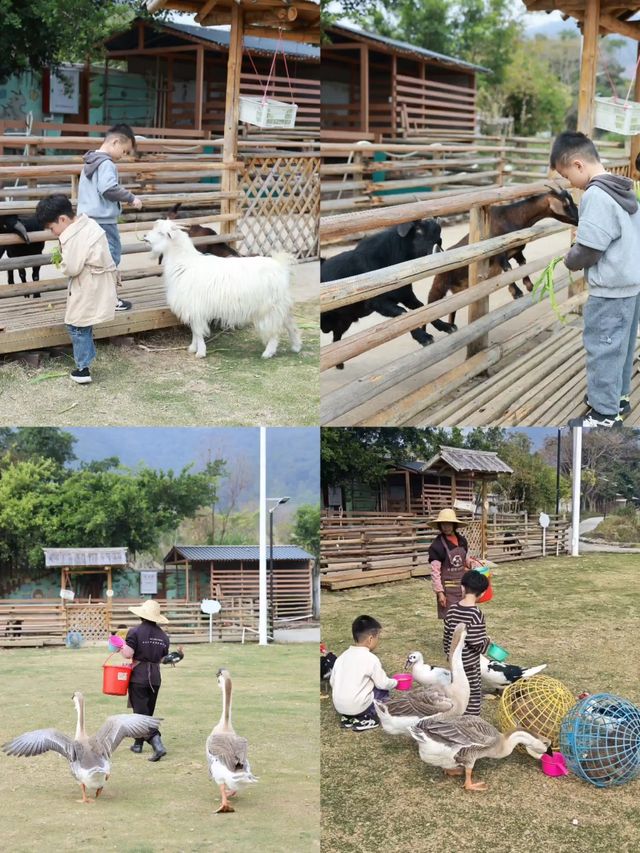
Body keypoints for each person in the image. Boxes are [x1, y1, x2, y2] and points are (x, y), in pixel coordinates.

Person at [550, 130, 640, 428]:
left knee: (602, 346)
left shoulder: (596, 195)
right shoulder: (623, 187)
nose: (570, 184)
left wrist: (569, 259)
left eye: (567, 176)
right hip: (631, 284)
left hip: (611, 289)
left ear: (578, 165)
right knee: (621, 346)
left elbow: (590, 249)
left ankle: (604, 415)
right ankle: (618, 399)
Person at [35, 194, 117, 385]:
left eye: (51, 227)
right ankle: (87, 358)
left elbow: (72, 267)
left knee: (76, 324)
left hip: (88, 283)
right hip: (99, 280)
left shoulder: (72, 237)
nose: (52, 232)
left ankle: (83, 368)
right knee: (83, 322)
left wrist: (62, 261)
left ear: (62, 219)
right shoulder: (88, 224)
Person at [77, 123, 143, 312]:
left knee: (92, 261)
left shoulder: (90, 162)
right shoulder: (106, 164)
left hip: (86, 221)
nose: (124, 155)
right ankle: (109, 300)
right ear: (115, 142)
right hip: (104, 222)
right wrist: (131, 198)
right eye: (124, 150)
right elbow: (108, 189)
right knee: (110, 258)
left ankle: (92, 299)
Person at [121, 599, 170, 761]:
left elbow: (127, 654)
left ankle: (158, 744)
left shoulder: (134, 632)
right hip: (155, 677)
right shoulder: (163, 635)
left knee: (141, 715)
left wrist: (120, 645)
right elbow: (163, 658)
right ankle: (138, 744)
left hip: (139, 676)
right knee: (146, 712)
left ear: (142, 616)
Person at [330, 615, 397, 732]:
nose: (378, 641)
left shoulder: (342, 657)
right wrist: (395, 682)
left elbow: (332, 682)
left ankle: (348, 718)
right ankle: (365, 718)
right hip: (358, 707)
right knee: (382, 690)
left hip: (339, 707)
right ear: (370, 639)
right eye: (378, 637)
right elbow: (383, 683)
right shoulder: (371, 658)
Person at [443, 570, 491, 716]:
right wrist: (487, 641)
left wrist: (448, 654)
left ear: (462, 587)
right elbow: (476, 643)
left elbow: (447, 635)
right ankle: (470, 719)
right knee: (473, 691)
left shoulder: (452, 609)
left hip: (454, 661)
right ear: (482, 594)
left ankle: (456, 714)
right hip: (469, 663)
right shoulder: (476, 614)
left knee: (456, 690)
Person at [428, 508, 475, 619]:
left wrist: (473, 564)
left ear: (454, 525)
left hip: (464, 587)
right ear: (439, 525)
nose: (446, 527)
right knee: (451, 620)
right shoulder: (437, 546)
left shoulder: (462, 540)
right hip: (448, 591)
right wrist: (440, 593)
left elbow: (464, 559)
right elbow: (435, 572)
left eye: (449, 524)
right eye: (443, 524)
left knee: (465, 618)